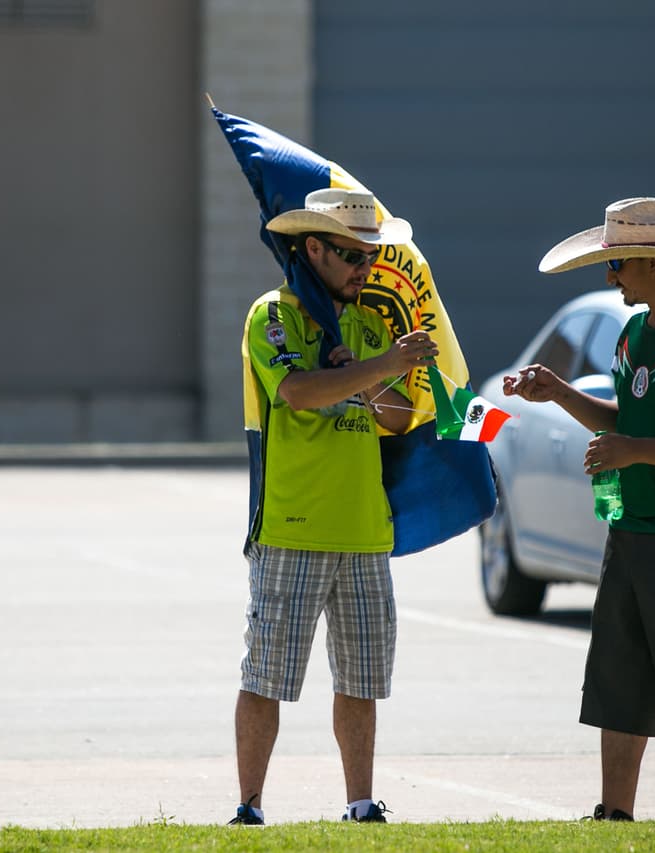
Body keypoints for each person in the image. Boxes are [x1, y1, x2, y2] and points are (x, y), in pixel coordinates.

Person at [503, 197, 655, 821]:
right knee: (620, 685)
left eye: (615, 264)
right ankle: (613, 816)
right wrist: (558, 393)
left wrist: (632, 450)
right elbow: (631, 421)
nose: (610, 277)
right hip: (632, 532)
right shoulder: (632, 334)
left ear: (651, 260)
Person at [228, 188, 438, 826]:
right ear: (311, 248)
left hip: (365, 530)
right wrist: (375, 366)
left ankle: (361, 804)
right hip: (293, 527)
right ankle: (249, 807)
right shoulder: (274, 314)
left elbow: (398, 416)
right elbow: (296, 392)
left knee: (363, 680)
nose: (365, 269)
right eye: (352, 255)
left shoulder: (372, 322)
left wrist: (379, 373)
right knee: (267, 676)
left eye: (372, 256)